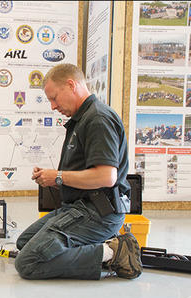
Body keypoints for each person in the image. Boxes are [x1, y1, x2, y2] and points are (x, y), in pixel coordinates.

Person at [14, 64, 143, 280]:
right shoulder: (81, 120)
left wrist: (58, 176)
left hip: (98, 214)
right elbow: (86, 173)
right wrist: (53, 179)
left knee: (28, 262)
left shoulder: (98, 119)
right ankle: (95, 249)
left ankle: (113, 252)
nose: (53, 106)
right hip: (78, 207)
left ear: (71, 85)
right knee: (24, 243)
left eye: (54, 98)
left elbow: (106, 176)